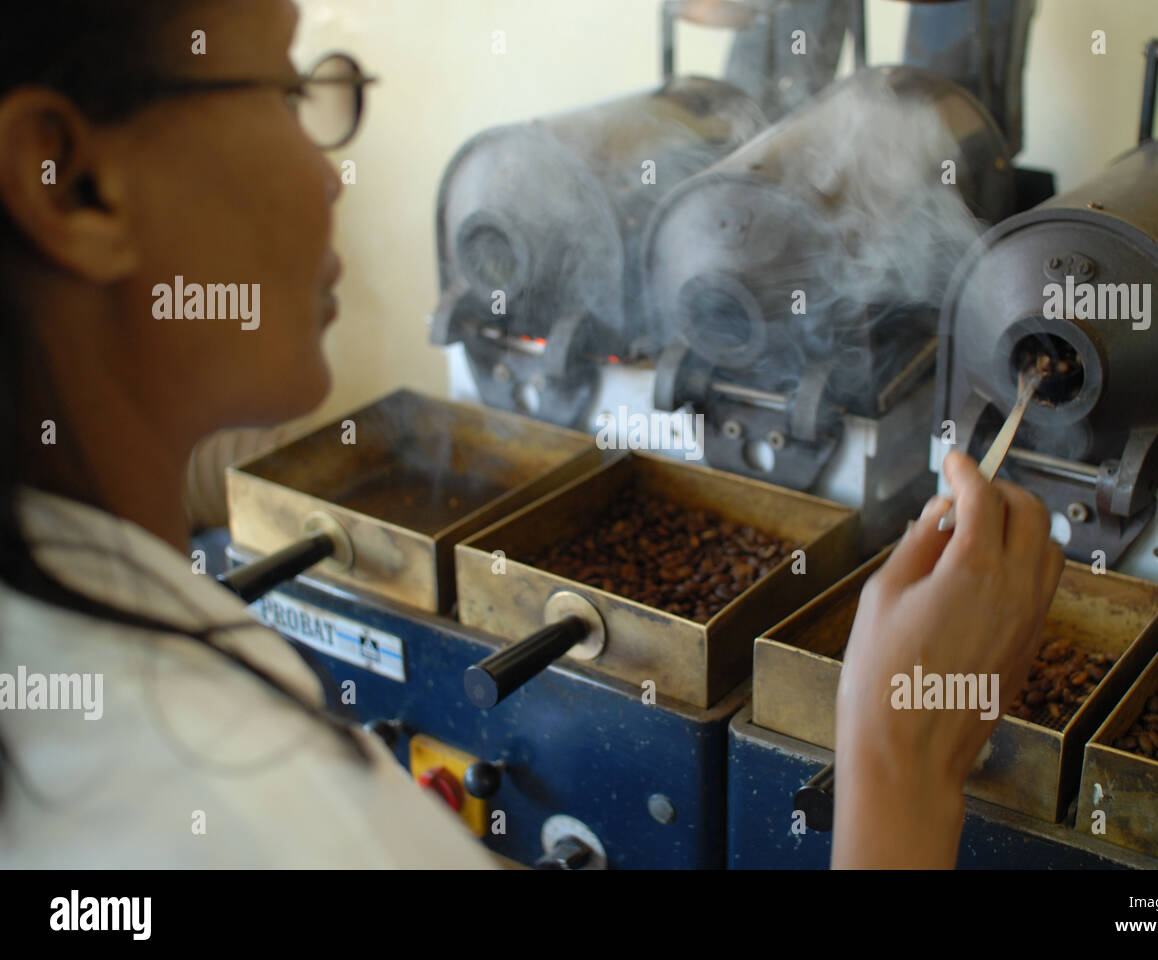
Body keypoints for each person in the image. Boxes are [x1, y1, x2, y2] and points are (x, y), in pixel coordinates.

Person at [0, 0, 1062, 869]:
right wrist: (902, 767)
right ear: (72, 181)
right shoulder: (237, 815)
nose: (331, 175)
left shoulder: (100, 614)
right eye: (287, 90)